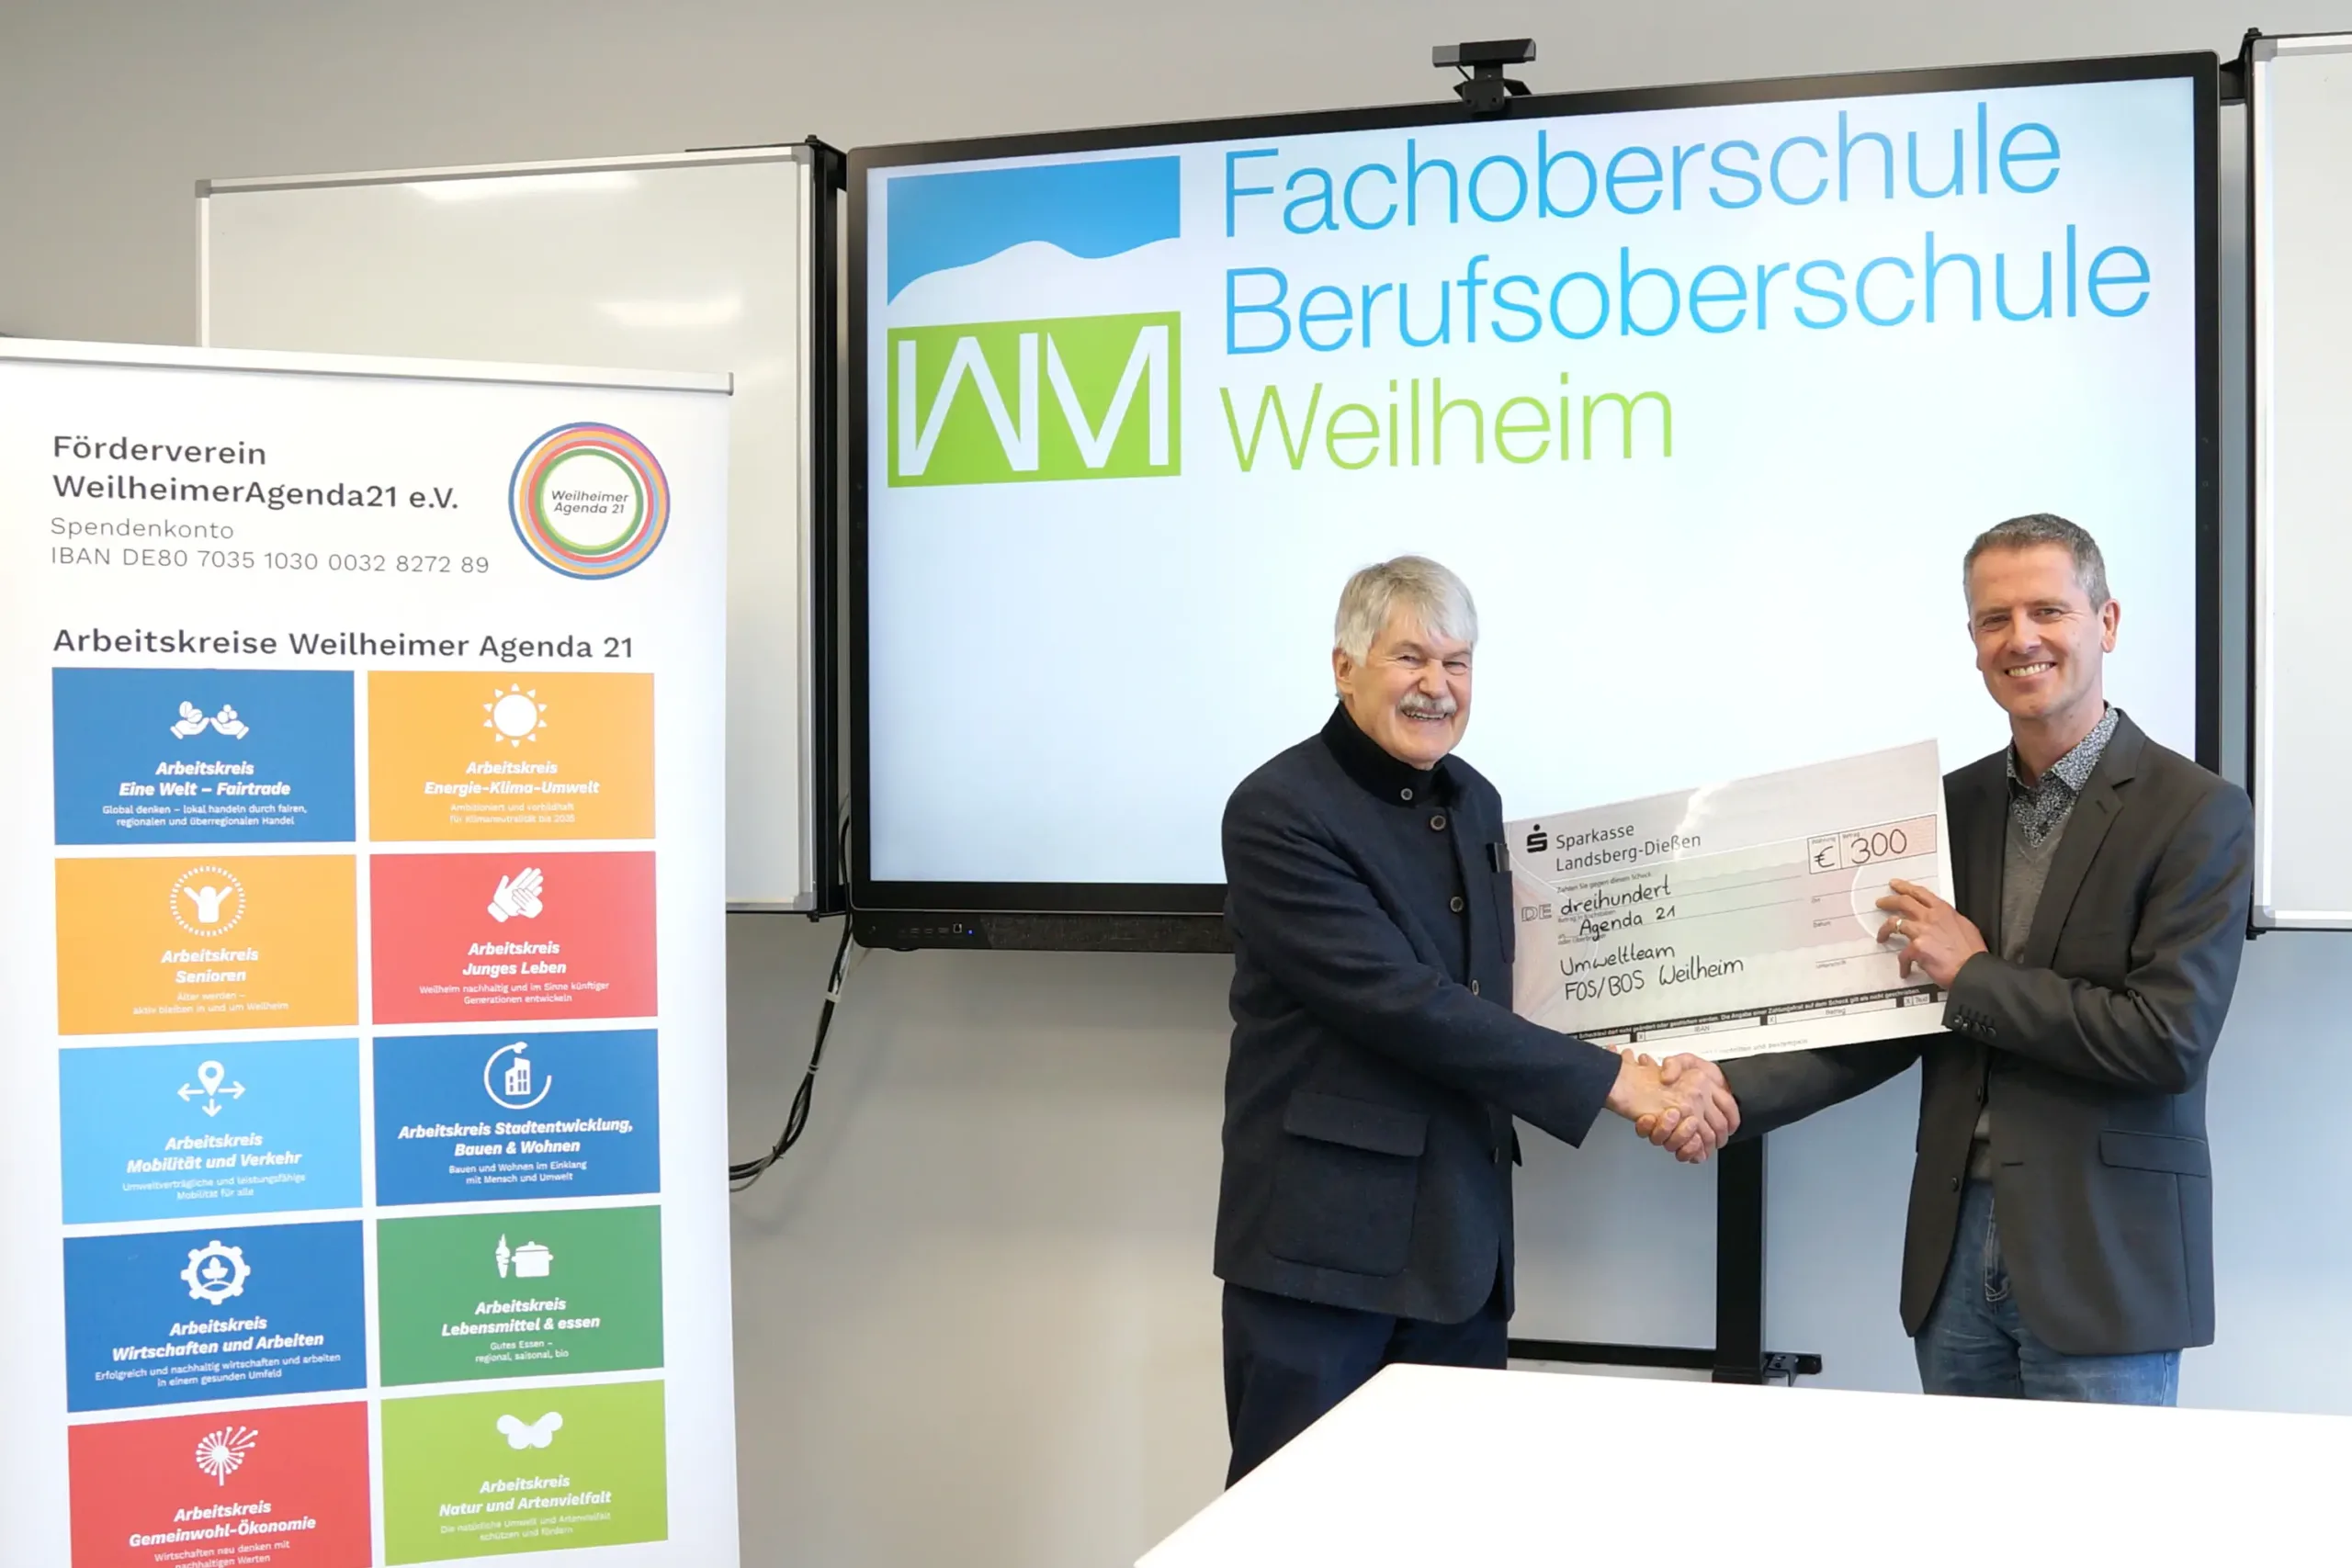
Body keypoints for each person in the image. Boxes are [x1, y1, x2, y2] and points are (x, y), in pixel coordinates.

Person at [1649, 513, 2252, 1404]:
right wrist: (1723, 1091)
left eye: (2047, 610)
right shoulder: (1946, 808)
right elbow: (1885, 1021)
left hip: (2103, 1260)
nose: (2021, 639)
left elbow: (2166, 1040)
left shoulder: (2196, 810)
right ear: (1972, 641)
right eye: (1993, 619)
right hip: (1954, 1252)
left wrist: (1975, 976)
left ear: (2107, 622)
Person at [1215, 555, 1736, 1484]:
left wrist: (1659, 1063)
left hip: (1461, 1253)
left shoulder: (1474, 801)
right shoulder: (1277, 810)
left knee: (1447, 1524)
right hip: (1322, 1260)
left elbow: (1500, 993)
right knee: (1291, 1526)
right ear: (1343, 667)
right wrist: (1619, 1084)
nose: (1437, 685)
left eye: (1457, 662)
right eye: (1410, 657)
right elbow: (1402, 1003)